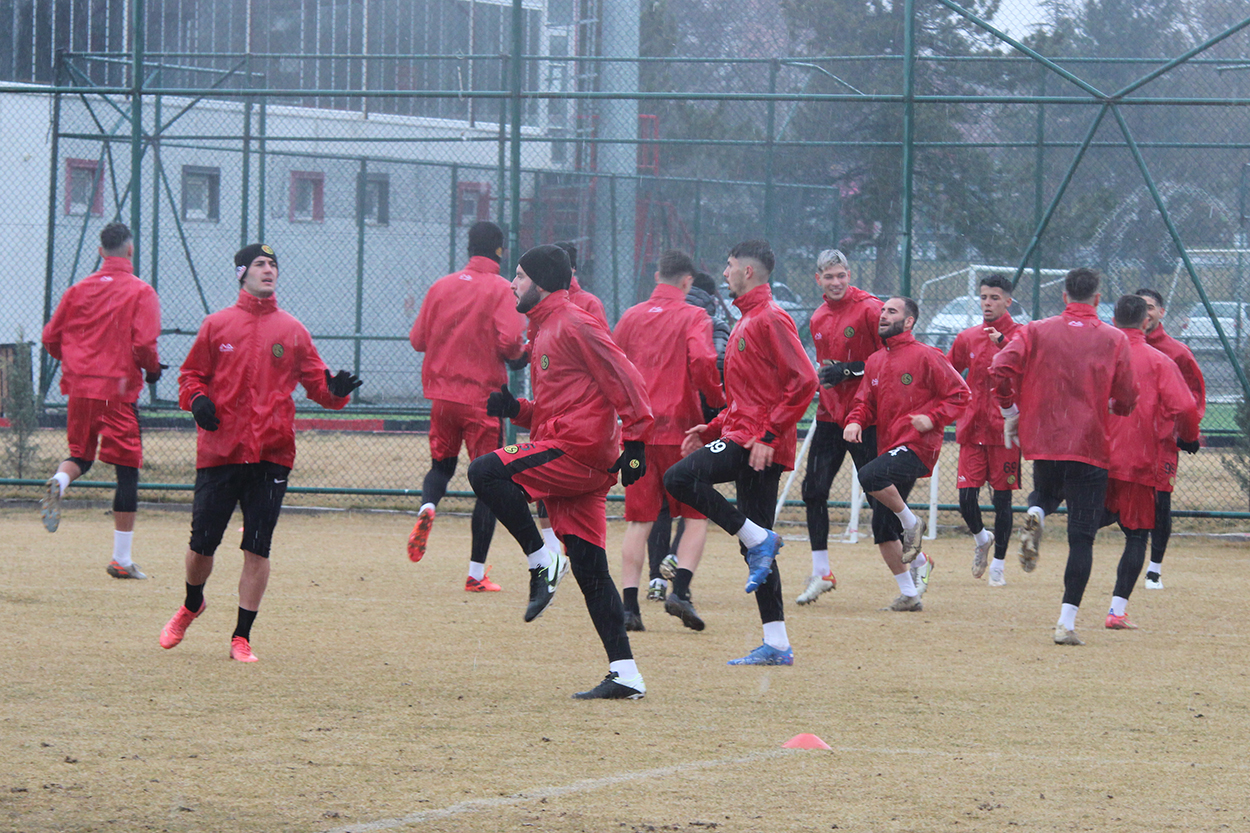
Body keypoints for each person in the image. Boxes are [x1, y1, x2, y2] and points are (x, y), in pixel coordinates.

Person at [466, 244, 654, 699]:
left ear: (543, 282)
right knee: (591, 570)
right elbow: (558, 407)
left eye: (520, 275)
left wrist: (636, 443)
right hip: (573, 448)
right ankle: (626, 673)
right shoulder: (545, 328)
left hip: (579, 450)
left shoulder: (574, 322)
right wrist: (517, 409)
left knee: (484, 472)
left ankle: (542, 559)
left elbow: (626, 378)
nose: (512, 283)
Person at [158, 244, 362, 663]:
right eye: (260, 264)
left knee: (257, 546)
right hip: (220, 452)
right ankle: (192, 602)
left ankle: (241, 637)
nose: (268, 270)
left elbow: (317, 386)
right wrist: (197, 400)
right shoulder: (216, 325)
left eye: (273, 264)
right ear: (241, 273)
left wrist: (335, 392)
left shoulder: (293, 330)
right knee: (202, 546)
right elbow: (189, 375)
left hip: (272, 454)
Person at [664, 240, 819, 666]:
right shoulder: (747, 320)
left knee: (678, 478)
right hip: (744, 434)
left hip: (756, 442)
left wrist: (769, 435)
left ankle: (758, 538)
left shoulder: (770, 318)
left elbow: (805, 382)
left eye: (730, 265)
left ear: (747, 272)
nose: (725, 272)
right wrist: (711, 426)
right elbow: (749, 394)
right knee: (755, 546)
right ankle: (777, 644)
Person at [989, 267, 1136, 646]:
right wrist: (1116, 407)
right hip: (1089, 442)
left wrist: (1013, 409)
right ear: (1098, 299)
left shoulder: (1037, 330)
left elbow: (999, 366)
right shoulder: (1114, 337)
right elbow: (1127, 395)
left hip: (1046, 437)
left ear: (1065, 296)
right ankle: (1065, 622)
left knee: (1046, 494)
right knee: (1082, 538)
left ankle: (1036, 513)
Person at [39, 222, 163, 580]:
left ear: (99, 251)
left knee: (80, 456)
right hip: (117, 391)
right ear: (130, 250)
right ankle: (120, 560)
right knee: (127, 472)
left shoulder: (78, 290)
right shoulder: (141, 292)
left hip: (79, 387)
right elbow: (144, 345)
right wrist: (152, 371)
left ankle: (59, 483)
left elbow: (50, 337)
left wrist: (77, 361)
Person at [407, 221, 526, 591]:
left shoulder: (441, 286)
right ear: (500, 251)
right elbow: (510, 343)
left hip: (442, 397)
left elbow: (418, 340)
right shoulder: (502, 289)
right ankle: (476, 574)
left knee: (441, 468)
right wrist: (522, 355)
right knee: (489, 483)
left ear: (468, 248)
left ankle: (428, 507)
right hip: (482, 400)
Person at [613, 250, 725, 632]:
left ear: (657, 275)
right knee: (695, 515)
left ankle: (629, 608)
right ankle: (681, 590)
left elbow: (612, 366)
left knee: (638, 520)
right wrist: (716, 401)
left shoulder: (630, 316)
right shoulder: (695, 316)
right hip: (682, 431)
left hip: (637, 436)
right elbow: (703, 362)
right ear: (687, 281)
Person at [843, 297, 970, 611]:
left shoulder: (927, 356)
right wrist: (855, 420)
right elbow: (864, 402)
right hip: (891, 447)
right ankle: (912, 591)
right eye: (883, 311)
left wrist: (934, 418)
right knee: (882, 528)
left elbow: (960, 393)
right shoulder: (874, 360)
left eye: (892, 311)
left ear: (909, 321)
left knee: (869, 475)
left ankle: (913, 524)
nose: (883, 315)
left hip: (918, 446)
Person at [1099, 295, 1199, 630]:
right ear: (1144, 318)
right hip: (1143, 453)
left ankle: (1154, 569)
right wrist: (1190, 434)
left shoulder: (1101, 351)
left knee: (1090, 521)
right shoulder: (1157, 360)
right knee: (1138, 529)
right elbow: (1186, 406)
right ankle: (1117, 610)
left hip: (1099, 451)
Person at [798, 248, 884, 605]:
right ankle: (822, 572)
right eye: (828, 277)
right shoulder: (817, 317)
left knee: (881, 495)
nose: (835, 283)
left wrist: (849, 369)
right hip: (830, 417)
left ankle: (915, 560)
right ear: (818, 279)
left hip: (866, 417)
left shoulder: (870, 309)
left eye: (841, 276)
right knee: (812, 490)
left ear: (850, 275)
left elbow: (888, 359)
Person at [644, 270, 732, 602]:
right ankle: (678, 565)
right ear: (711, 297)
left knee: (660, 505)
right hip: (695, 421)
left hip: (653, 418)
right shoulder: (709, 322)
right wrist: (714, 403)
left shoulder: (654, 319)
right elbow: (718, 361)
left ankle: (655, 578)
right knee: (693, 500)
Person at [947, 273, 1024, 587]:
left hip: (1005, 431)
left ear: (1008, 301)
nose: (988, 303)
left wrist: (1003, 344)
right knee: (966, 499)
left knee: (1003, 501)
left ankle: (999, 566)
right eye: (983, 297)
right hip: (972, 429)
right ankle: (981, 538)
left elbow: (1029, 369)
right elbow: (948, 371)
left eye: (994, 297)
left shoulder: (1020, 335)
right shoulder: (967, 337)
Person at [1137, 287, 1206, 589]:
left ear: (1162, 312)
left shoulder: (1177, 352)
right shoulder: (1118, 345)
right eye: (1140, 307)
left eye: (1150, 307)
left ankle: (1154, 569)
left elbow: (1195, 397)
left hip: (1162, 443)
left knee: (1160, 502)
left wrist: (1183, 431)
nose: (1146, 312)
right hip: (1125, 442)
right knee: (1113, 502)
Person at [554, 241, 609, 327]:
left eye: (561, 266)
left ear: (573, 268)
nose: (555, 271)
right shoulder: (540, 299)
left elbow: (600, 338)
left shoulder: (590, 303)